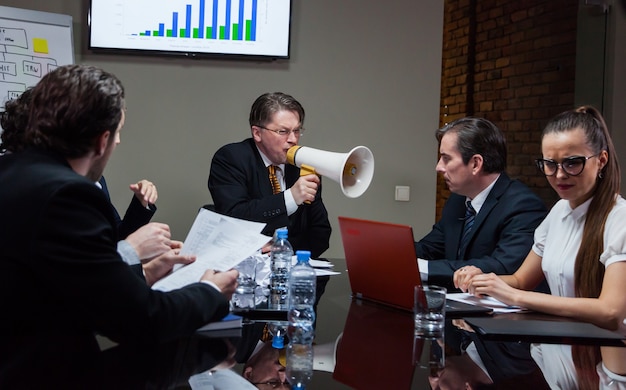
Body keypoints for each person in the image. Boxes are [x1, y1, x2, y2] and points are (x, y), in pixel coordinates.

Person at [0, 64, 239, 387]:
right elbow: (141, 321)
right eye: (118, 132)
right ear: (102, 141)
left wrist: (142, 273)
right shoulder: (69, 195)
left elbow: (55, 289)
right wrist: (210, 291)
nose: (118, 142)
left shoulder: (10, 171)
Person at [455, 106, 626, 389]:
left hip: (606, 370)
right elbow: (522, 279)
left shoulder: (618, 219)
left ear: (601, 160)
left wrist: (517, 297)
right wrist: (484, 279)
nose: (559, 174)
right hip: (558, 362)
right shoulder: (558, 212)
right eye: (549, 164)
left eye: (572, 162)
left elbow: (610, 311)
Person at [0, 86, 172, 268]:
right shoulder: (33, 187)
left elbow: (110, 240)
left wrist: (140, 206)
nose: (116, 140)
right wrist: (133, 251)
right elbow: (70, 271)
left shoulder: (91, 178)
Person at [414, 117, 547, 291]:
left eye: (446, 159)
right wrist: (386, 253)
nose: (438, 167)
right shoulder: (458, 200)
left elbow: (503, 266)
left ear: (476, 164)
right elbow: (430, 248)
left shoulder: (523, 205)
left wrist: (422, 268)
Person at [208, 92, 331, 259]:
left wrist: (284, 252)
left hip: (289, 267)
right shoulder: (231, 158)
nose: (293, 139)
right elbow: (234, 216)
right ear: (257, 133)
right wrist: (290, 198)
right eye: (283, 131)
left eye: (297, 131)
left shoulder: (302, 165)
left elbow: (321, 233)